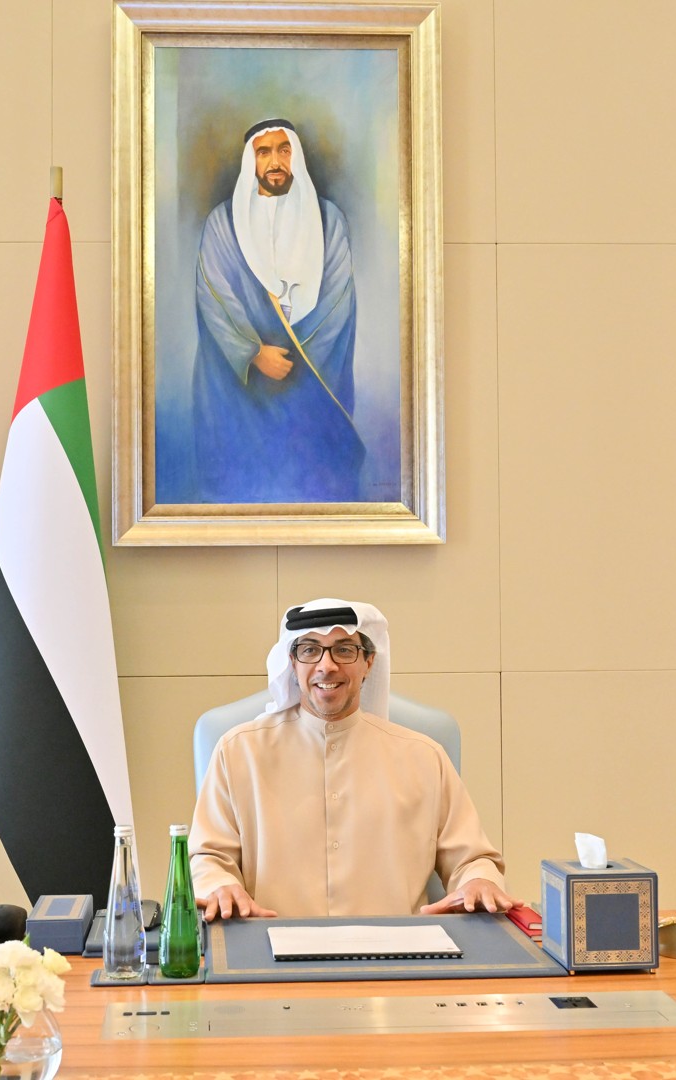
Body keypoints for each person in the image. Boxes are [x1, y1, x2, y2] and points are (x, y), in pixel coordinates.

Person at [189, 598, 512, 920]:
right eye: (310, 650)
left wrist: (479, 881)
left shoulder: (423, 756)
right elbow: (208, 857)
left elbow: (472, 859)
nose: (326, 666)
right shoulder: (239, 751)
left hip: (400, 946)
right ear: (292, 662)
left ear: (368, 662)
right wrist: (219, 885)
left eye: (344, 650)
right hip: (270, 941)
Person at [191, 119, 365, 504]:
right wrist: (253, 352)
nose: (275, 161)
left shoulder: (329, 222)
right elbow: (214, 296)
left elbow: (338, 302)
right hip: (243, 394)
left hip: (310, 387)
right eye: (264, 152)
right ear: (250, 160)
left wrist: (298, 367)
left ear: (295, 155)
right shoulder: (222, 225)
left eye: (284, 150)